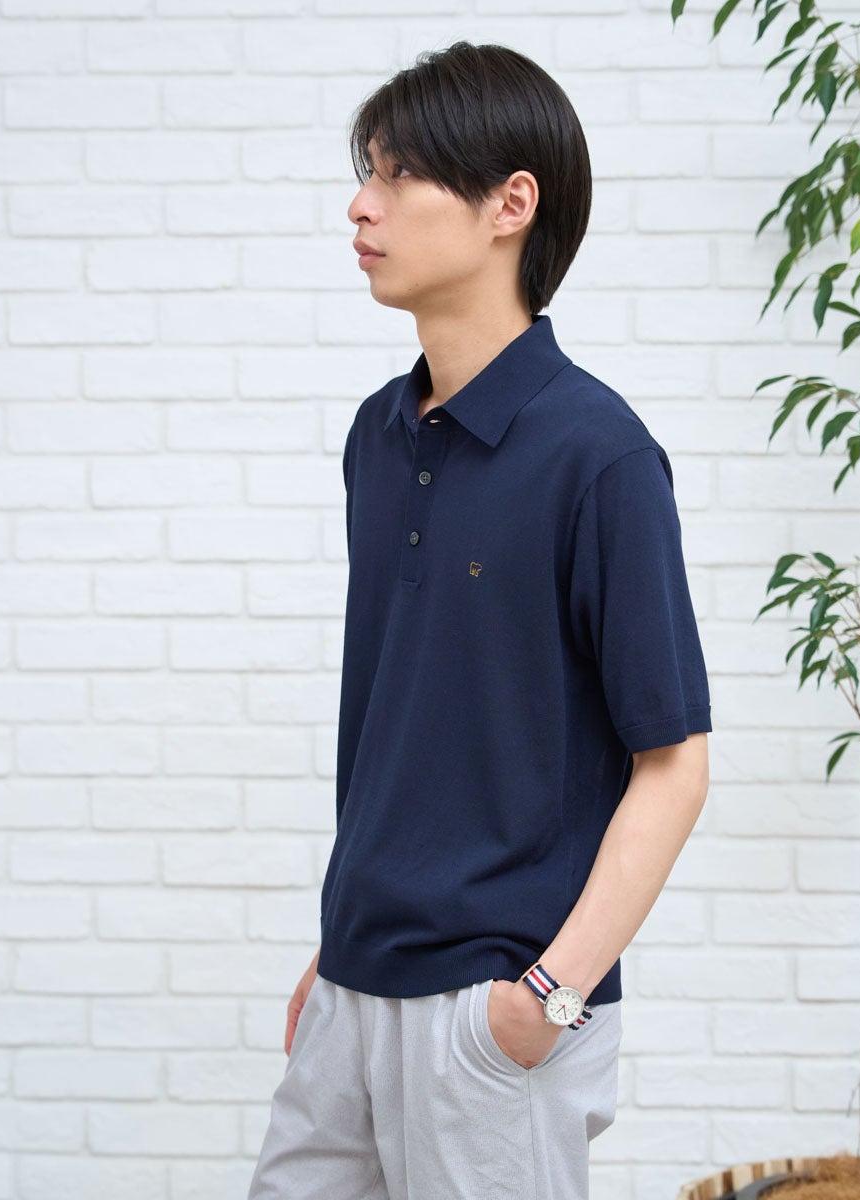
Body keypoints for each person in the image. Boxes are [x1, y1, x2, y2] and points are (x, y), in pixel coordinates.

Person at [246, 39, 711, 1200]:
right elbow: (412, 730)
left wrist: (546, 997)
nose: (362, 205)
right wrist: (340, 953)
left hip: (492, 1016)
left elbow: (675, 763)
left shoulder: (600, 456)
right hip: (353, 987)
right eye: (366, 172)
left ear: (511, 204)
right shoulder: (378, 435)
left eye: (399, 174)